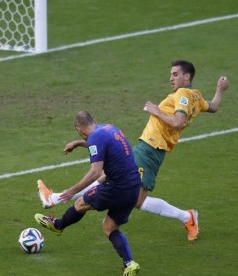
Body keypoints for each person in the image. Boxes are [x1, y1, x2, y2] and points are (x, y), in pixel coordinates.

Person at [38, 60, 229, 241]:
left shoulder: (183, 95)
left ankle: (55, 199)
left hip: (150, 150)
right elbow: (213, 106)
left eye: (175, 74)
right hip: (150, 149)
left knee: (118, 185)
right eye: (170, 74)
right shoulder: (195, 96)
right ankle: (187, 217)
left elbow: (178, 123)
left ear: (187, 77)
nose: (171, 78)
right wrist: (220, 90)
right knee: (121, 186)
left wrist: (157, 111)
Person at [35, 111, 141, 276]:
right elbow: (102, 145)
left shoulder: (95, 138)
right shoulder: (108, 128)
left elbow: (96, 172)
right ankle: (130, 264)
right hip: (134, 187)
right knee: (110, 227)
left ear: (78, 129)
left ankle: (58, 225)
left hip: (117, 187)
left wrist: (72, 191)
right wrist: (79, 143)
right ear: (94, 121)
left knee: (80, 203)